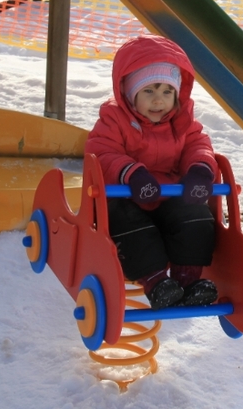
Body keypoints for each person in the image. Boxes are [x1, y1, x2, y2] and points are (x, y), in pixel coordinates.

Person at [86, 35, 219, 310]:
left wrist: (200, 170)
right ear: (129, 92)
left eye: (167, 92)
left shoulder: (182, 121)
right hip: (127, 196)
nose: (159, 101)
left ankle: (187, 280)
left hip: (167, 196)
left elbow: (198, 144)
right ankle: (156, 282)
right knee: (129, 224)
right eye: (149, 91)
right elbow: (102, 151)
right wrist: (132, 173)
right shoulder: (114, 119)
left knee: (195, 215)